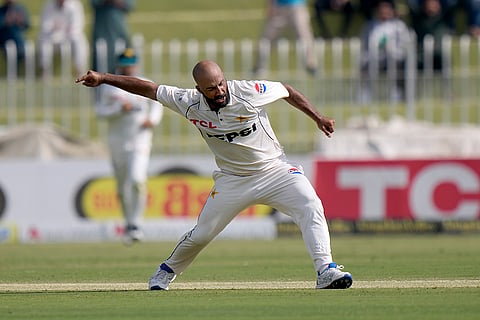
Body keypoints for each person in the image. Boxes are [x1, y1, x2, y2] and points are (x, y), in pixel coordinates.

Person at [76, 60, 353, 290]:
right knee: (202, 234)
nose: (219, 91)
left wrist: (318, 117)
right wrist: (102, 78)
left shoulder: (249, 91)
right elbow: (148, 89)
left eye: (221, 84)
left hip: (274, 171)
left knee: (310, 204)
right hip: (233, 179)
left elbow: (287, 90)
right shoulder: (188, 101)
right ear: (199, 89)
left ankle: (325, 270)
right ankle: (165, 272)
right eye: (211, 88)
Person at [94, 48, 163, 244]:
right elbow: (100, 112)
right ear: (119, 66)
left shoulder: (143, 82)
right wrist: (117, 109)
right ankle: (128, 222)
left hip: (140, 140)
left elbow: (157, 103)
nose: (128, 68)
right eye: (125, 65)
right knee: (122, 186)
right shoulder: (109, 88)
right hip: (117, 142)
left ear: (136, 65)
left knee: (137, 179)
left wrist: (152, 119)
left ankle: (136, 223)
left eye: (131, 64)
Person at [358, 0, 410, 103]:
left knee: (398, 67)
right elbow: (364, 46)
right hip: (374, 59)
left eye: (387, 8)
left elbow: (405, 46)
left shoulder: (399, 26)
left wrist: (392, 51)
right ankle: (365, 97)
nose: (384, 11)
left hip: (394, 59)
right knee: (365, 68)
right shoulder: (370, 26)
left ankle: (397, 95)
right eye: (381, 8)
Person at [253, 0, 317, 76]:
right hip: (278, 8)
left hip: (297, 7)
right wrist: (270, 6)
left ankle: (311, 65)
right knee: (266, 38)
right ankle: (258, 67)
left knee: (305, 36)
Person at [37, 0, 88, 78]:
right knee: (44, 41)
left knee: (79, 40)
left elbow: (77, 26)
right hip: (53, 37)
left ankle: (79, 70)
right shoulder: (48, 5)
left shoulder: (75, 5)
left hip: (69, 37)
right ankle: (45, 70)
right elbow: (45, 26)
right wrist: (54, 28)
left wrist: (66, 29)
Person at [408, 0, 454, 71]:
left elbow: (452, 3)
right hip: (422, 56)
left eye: (434, 3)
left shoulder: (445, 17)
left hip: (440, 56)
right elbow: (411, 4)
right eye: (428, 3)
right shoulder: (418, 19)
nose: (431, 6)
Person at [90, 0, 134, 74]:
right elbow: (94, 3)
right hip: (101, 27)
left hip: (118, 26)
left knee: (123, 53)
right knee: (100, 54)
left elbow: (130, 5)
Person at [0, 0, 30, 73]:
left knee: (22, 48)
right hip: (4, 39)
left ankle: (22, 73)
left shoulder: (20, 9)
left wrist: (20, 21)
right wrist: (6, 20)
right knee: (11, 47)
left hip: (18, 40)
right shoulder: (1, 10)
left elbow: (27, 25)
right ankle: (12, 73)